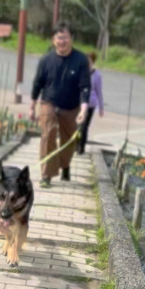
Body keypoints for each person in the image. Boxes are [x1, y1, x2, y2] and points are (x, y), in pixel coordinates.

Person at [30, 24, 90, 185]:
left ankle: (65, 165)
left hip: (71, 106)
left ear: (71, 39)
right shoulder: (46, 60)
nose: (62, 41)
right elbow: (37, 83)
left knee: (68, 141)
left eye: (65, 38)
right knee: (48, 134)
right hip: (49, 102)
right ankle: (46, 175)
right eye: (59, 37)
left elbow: (85, 86)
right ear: (53, 40)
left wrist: (83, 109)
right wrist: (32, 105)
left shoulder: (80, 60)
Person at [81, 51, 104, 155]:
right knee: (77, 125)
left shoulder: (97, 75)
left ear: (93, 62)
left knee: (84, 126)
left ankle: (81, 147)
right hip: (80, 102)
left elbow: (99, 91)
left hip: (90, 104)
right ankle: (76, 144)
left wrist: (101, 107)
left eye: (89, 62)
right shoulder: (81, 72)